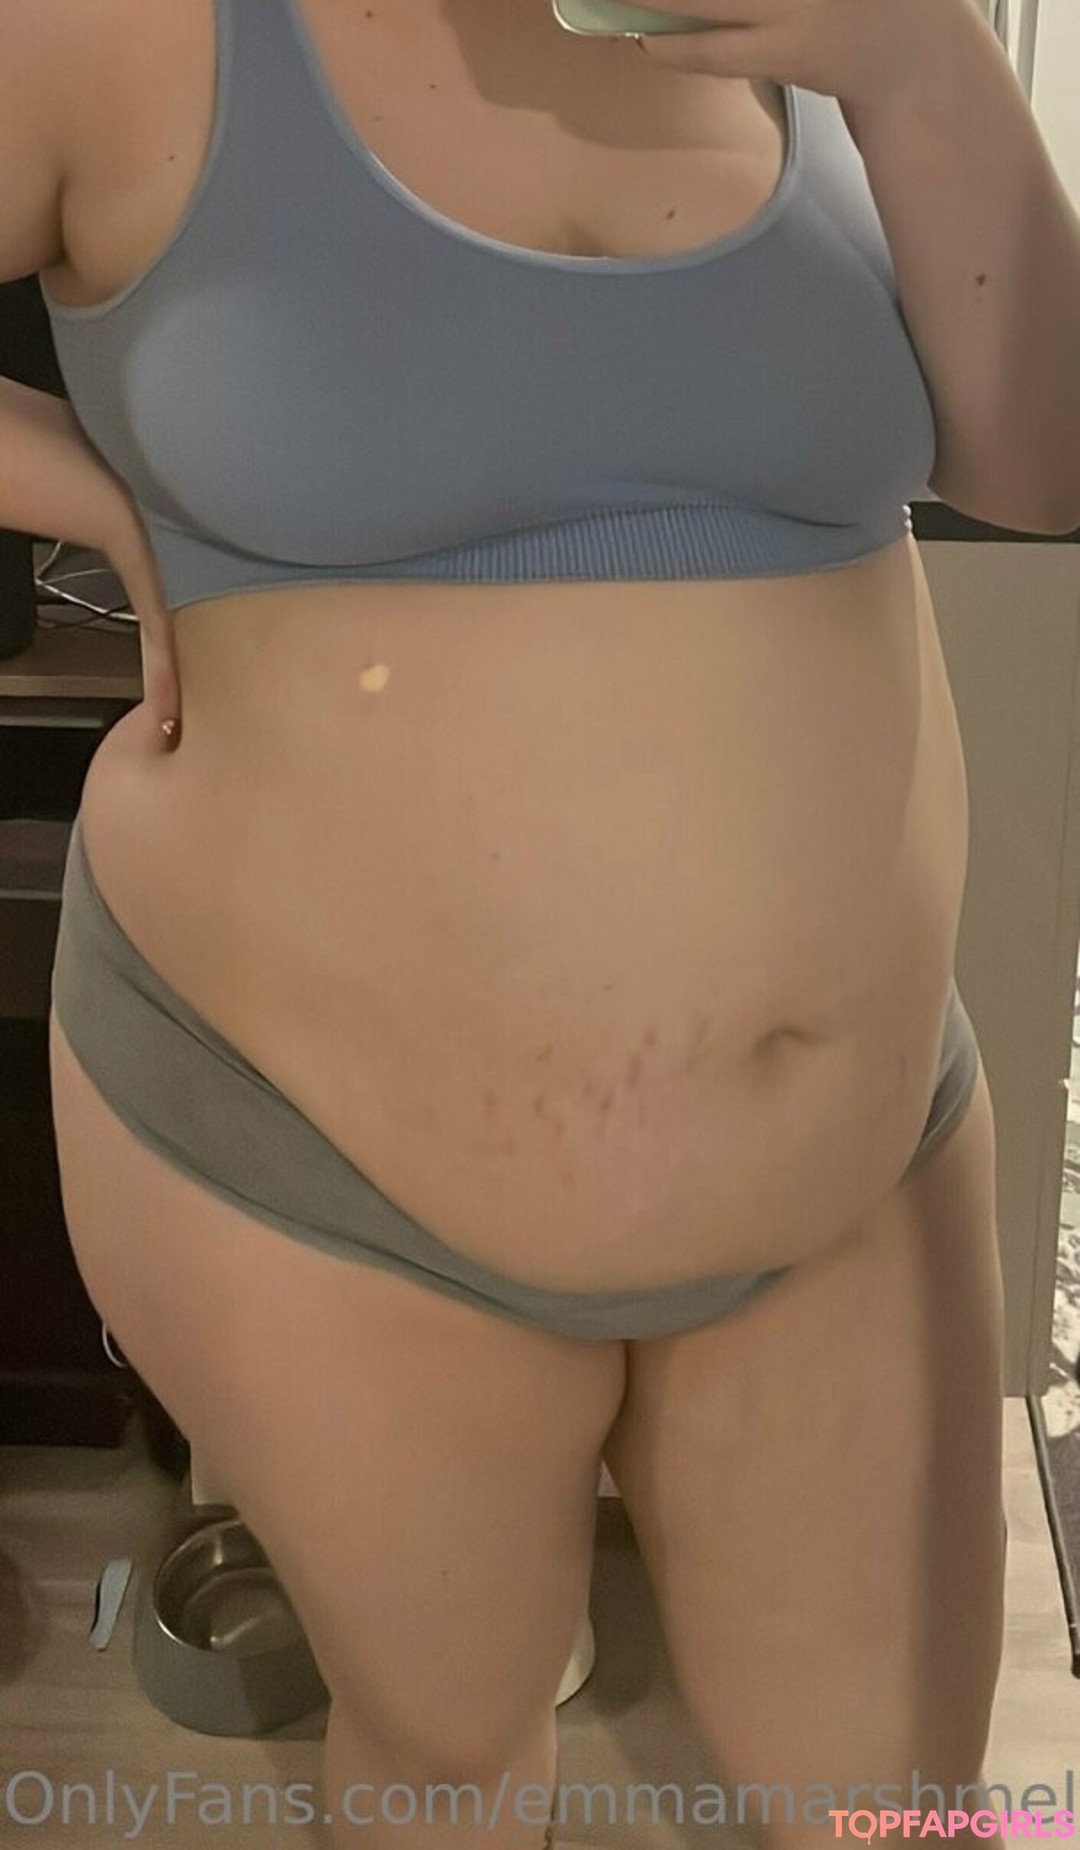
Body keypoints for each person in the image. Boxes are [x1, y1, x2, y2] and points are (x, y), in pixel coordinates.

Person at [9, 0, 1056, 1843]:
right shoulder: (117, 32)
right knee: (451, 1768)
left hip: (857, 1161)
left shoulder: (825, 28)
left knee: (905, 1809)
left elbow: (1043, 461)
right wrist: (69, 477)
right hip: (323, 1174)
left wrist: (913, 58)